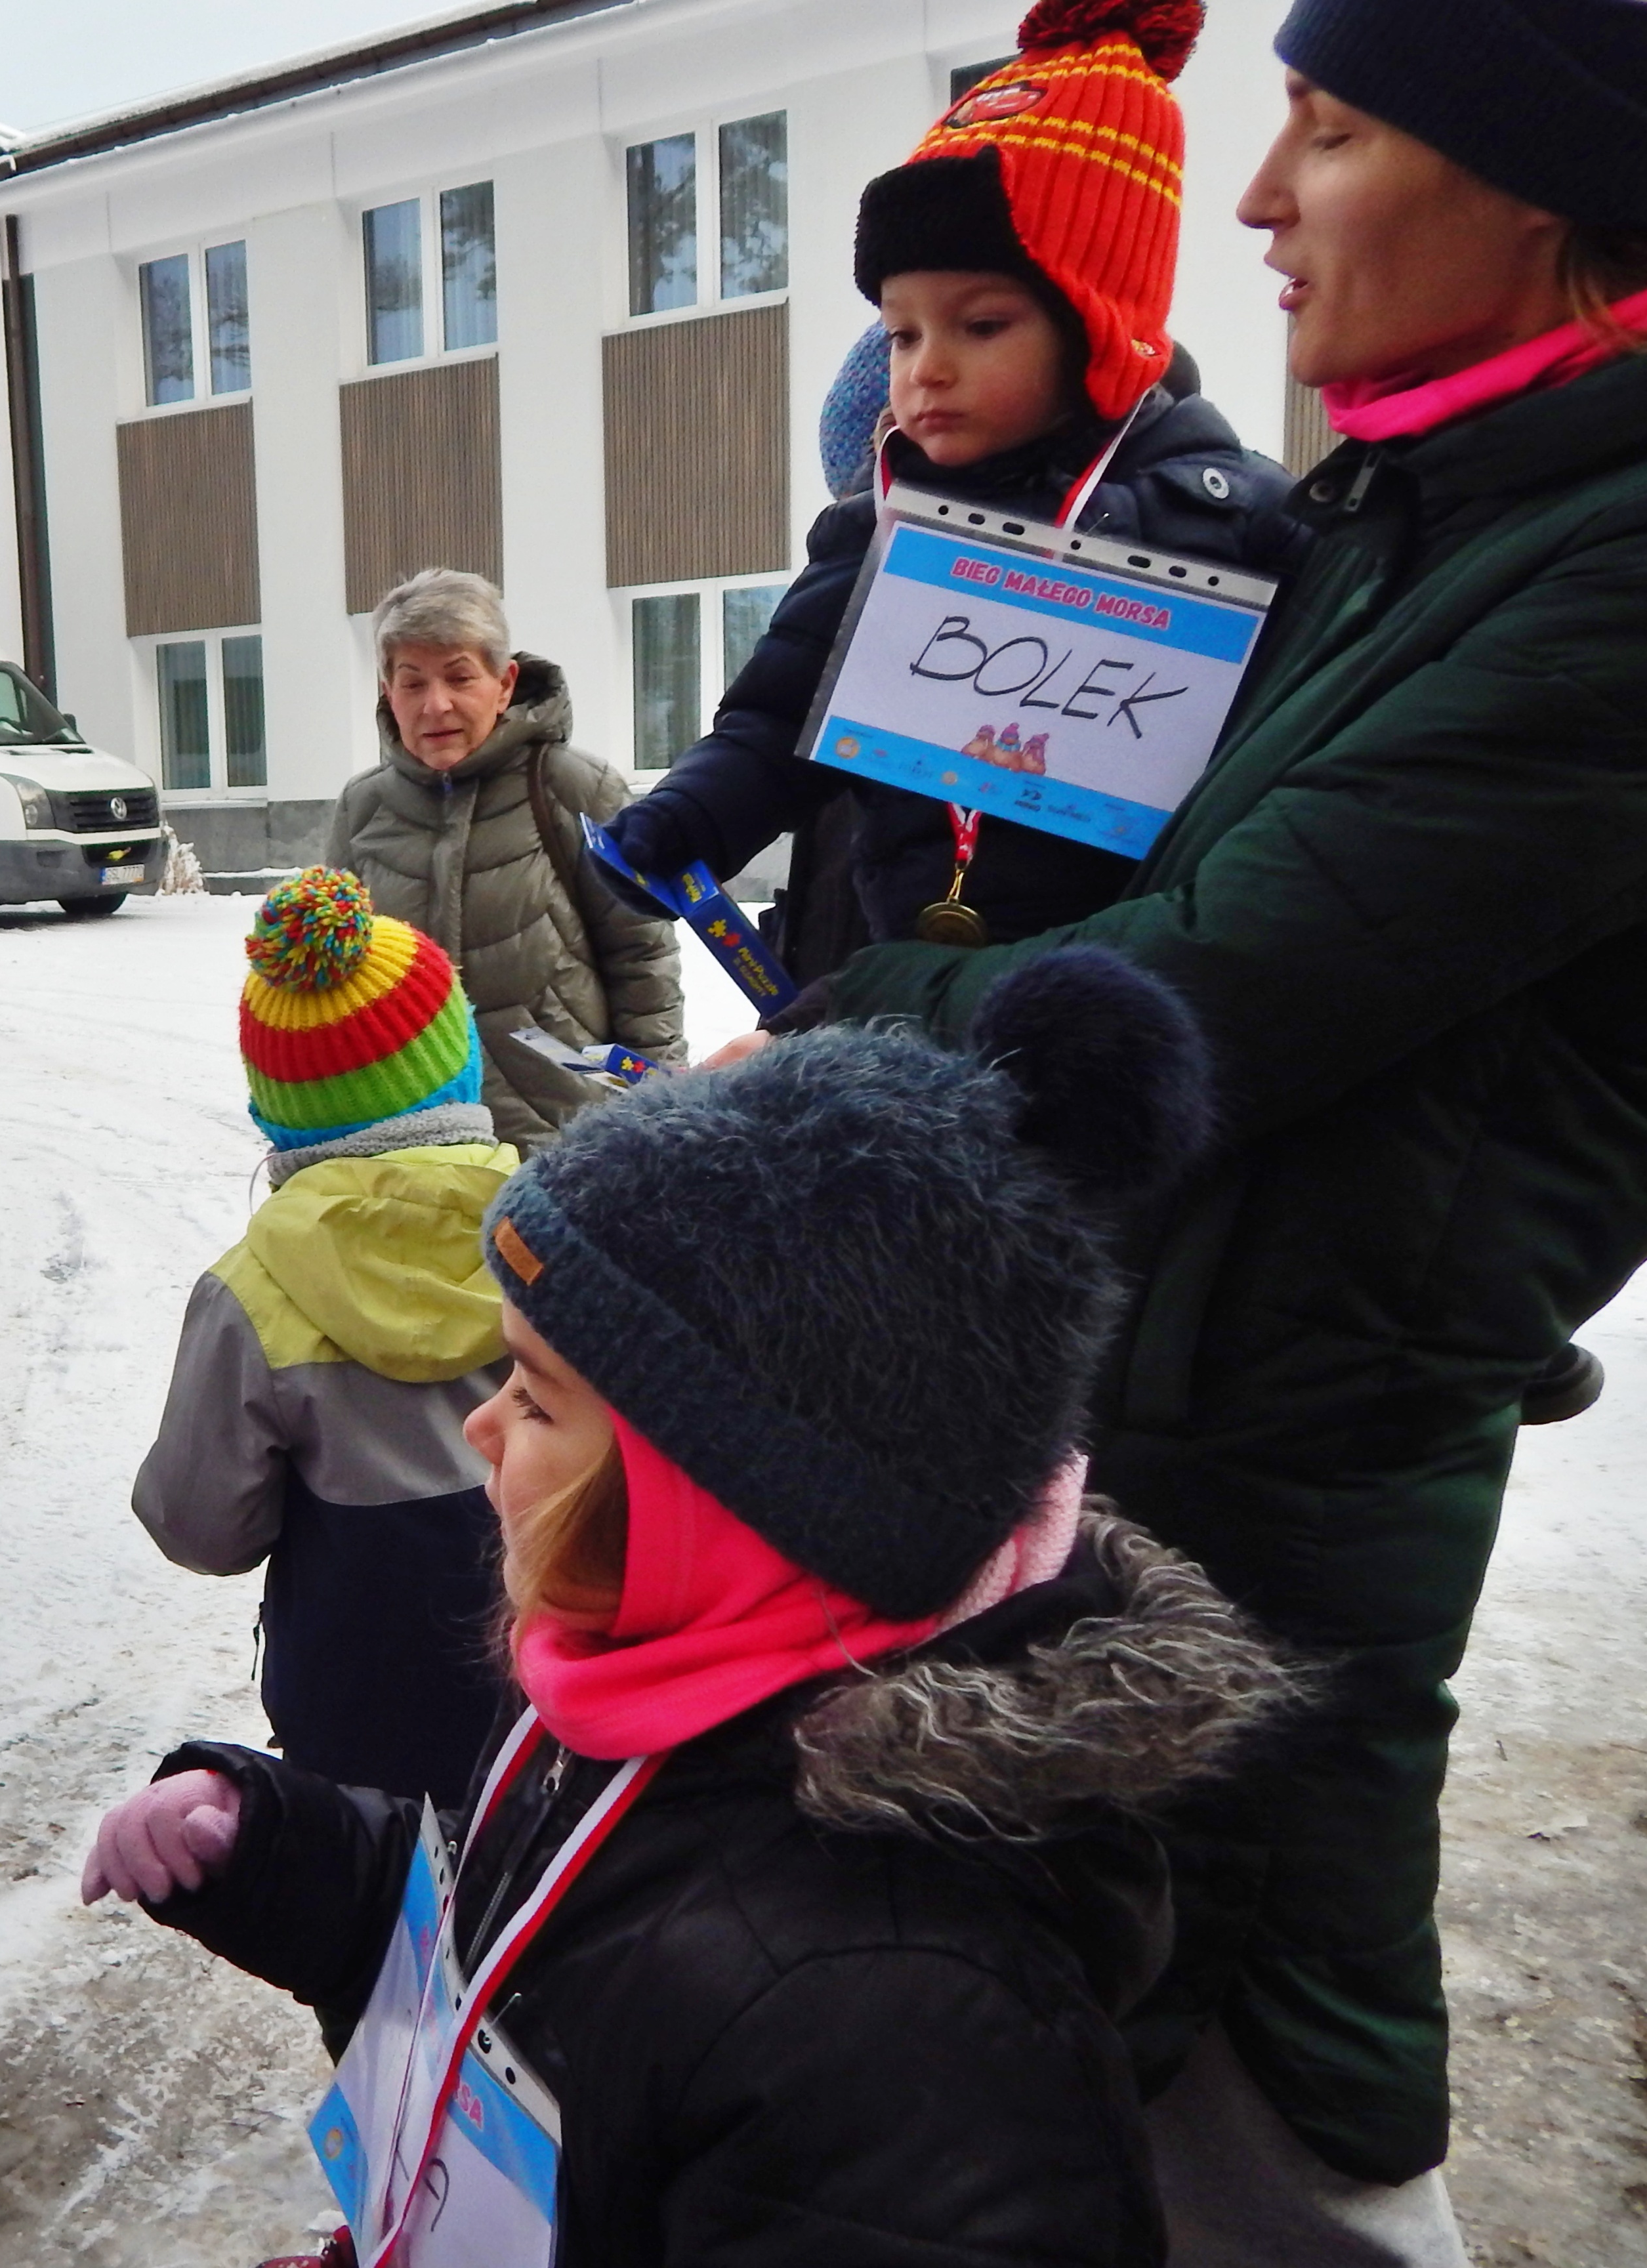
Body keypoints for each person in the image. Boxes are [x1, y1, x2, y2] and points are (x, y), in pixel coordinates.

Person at [770, 3, 1647, 2254]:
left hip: (1288, 1496)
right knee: (1104, 2078)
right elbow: (1110, 893)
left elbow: (1193, 985)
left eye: (1332, 131)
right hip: (1151, 1416)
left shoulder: (1599, 564)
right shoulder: (1396, 508)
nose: (1253, 201)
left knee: (1289, 2113)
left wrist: (847, 1007)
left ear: (1545, 191)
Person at [87, 948, 1293, 2267]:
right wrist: (285, 1851)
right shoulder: (657, 1685)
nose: (482, 1428)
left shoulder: (901, 2036)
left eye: (535, 1395)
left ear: (729, 1495)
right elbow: (543, 1952)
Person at [606, 0, 1304, 959]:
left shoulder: (1237, 522)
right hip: (916, 981)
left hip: (1143, 985)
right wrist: (686, 820)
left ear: (1097, 326)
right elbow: (778, 722)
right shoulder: (878, 527)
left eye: (980, 327)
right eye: (903, 333)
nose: (924, 368)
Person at [133, 869, 517, 1822]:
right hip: (551, 1694)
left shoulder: (251, 1294)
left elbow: (199, 1525)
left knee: (386, 1945)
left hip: (358, 1720)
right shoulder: (561, 1235)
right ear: (461, 1063)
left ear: (275, 1109)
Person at [325, 567, 685, 1150]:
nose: (436, 705)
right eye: (412, 683)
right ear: (387, 691)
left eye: (459, 677)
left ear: (505, 681)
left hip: (562, 1137)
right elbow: (339, 979)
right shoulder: (362, 808)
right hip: (411, 1137)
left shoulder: (575, 789)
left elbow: (641, 959)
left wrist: (656, 1112)